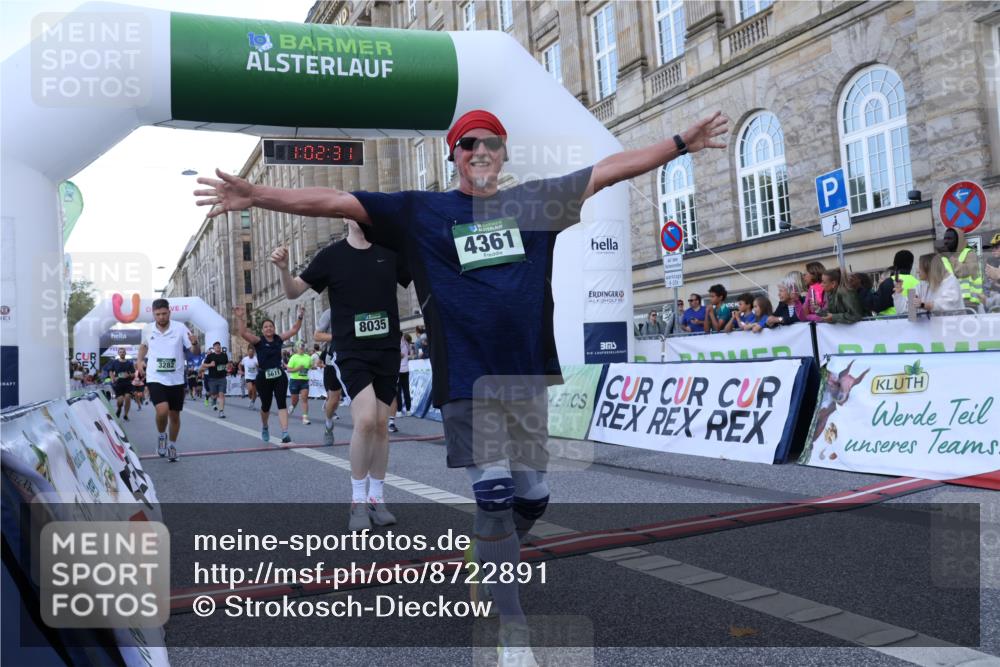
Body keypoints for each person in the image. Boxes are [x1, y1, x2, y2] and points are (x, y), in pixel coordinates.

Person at [196, 107, 728, 663]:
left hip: (525, 376)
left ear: (503, 153)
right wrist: (256, 194)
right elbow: (333, 201)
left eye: (492, 143)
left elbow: (609, 170)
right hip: (466, 379)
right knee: (494, 495)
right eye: (469, 143)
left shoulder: (536, 202)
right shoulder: (420, 211)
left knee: (533, 497)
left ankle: (492, 559)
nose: (481, 152)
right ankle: (512, 626)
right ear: (454, 153)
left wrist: (678, 144)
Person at [271, 218, 408, 531]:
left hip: (386, 350)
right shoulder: (331, 256)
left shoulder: (390, 252)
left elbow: (421, 277)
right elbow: (293, 293)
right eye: (353, 210)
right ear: (345, 216)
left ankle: (377, 498)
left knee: (382, 426)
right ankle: (357, 502)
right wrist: (283, 269)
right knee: (365, 420)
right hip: (351, 352)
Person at [136, 298, 200, 461]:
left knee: (175, 416)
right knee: (162, 410)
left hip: (176, 378)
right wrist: (139, 361)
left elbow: (195, 352)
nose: (162, 317)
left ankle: (172, 445)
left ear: (169, 312)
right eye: (158, 314)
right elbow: (143, 346)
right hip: (155, 377)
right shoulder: (148, 329)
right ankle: (161, 435)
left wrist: (195, 343)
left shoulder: (180, 328)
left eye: (164, 314)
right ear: (153, 314)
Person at [235, 305, 303, 444]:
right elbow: (243, 333)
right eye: (265, 327)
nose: (268, 328)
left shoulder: (279, 339)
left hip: (279, 375)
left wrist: (300, 316)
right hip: (263, 377)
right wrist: (240, 318)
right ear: (262, 330)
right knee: (266, 405)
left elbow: (295, 329)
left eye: (270, 326)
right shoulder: (258, 341)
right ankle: (265, 426)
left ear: (274, 329)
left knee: (281, 403)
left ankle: (285, 432)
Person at [893, 253, 963, 315]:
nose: (917, 271)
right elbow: (905, 311)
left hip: (950, 327)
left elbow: (946, 305)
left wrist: (923, 305)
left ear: (929, 268)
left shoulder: (950, 281)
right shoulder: (920, 284)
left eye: (920, 268)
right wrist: (898, 294)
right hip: (928, 328)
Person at [314, 307, 344, 445]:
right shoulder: (330, 312)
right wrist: (340, 336)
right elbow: (317, 336)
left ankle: (364, 430)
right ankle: (328, 423)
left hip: (355, 356)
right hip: (333, 360)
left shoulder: (359, 306)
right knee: (335, 398)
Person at [939, 227, 984, 309]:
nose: (946, 241)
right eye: (945, 239)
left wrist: (949, 256)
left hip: (969, 303)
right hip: (950, 303)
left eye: (949, 239)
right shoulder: (944, 258)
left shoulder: (970, 254)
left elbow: (963, 272)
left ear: (958, 240)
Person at [287, 340, 313, 425]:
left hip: (304, 381)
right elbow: (289, 369)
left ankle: (305, 418)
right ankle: (292, 407)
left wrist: (314, 366)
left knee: (304, 399)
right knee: (295, 400)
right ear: (297, 348)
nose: (302, 349)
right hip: (294, 381)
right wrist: (297, 369)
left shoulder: (308, 357)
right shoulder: (293, 357)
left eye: (303, 347)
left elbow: (310, 366)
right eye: (300, 347)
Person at [201, 341, 229, 419]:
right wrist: (210, 364)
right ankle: (213, 400)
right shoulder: (210, 356)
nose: (218, 347)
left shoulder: (224, 355)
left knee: (221, 395)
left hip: (222, 378)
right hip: (212, 378)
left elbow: (227, 363)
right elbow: (203, 365)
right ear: (214, 348)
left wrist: (228, 367)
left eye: (219, 346)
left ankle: (221, 411)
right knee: (214, 394)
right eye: (216, 346)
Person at [107, 347, 135, 421]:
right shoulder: (115, 362)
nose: (122, 353)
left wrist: (128, 375)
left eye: (123, 352)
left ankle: (125, 415)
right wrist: (112, 378)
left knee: (128, 398)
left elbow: (133, 374)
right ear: (118, 353)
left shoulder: (129, 363)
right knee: (120, 401)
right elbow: (110, 371)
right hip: (118, 384)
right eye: (120, 352)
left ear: (125, 353)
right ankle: (119, 408)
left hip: (127, 383)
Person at [397, 332, 411, 418]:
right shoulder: (407, 343)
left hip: (399, 370)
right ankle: (408, 410)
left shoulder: (399, 343)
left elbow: (399, 355)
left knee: (398, 391)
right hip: (406, 370)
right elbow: (408, 353)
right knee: (406, 390)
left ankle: (399, 411)